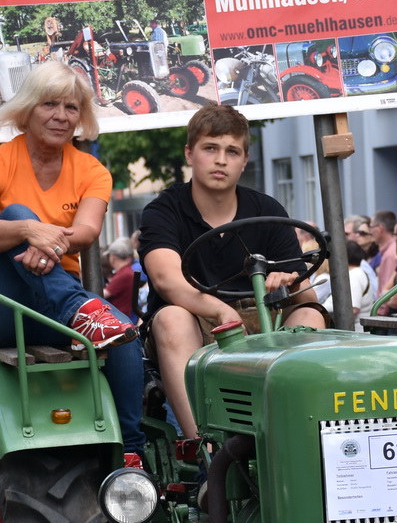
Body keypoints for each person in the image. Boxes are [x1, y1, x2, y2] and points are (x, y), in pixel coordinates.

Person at [0, 59, 144, 456]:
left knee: (123, 333)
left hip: (51, 309)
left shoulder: (92, 170)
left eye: (71, 107)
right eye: (49, 105)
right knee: (15, 214)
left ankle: (131, 452)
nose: (61, 116)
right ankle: (81, 309)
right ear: (28, 109)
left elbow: (88, 232)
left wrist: (47, 246)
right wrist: (29, 231)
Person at [140, 104, 328, 439]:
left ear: (244, 160)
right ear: (190, 153)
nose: (221, 160)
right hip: (196, 321)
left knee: (311, 317)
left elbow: (306, 295)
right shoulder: (163, 210)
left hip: (262, 320)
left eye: (232, 151)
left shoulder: (267, 211)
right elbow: (166, 278)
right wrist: (219, 310)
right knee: (171, 318)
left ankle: (298, 437)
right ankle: (205, 450)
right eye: (210, 148)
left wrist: (285, 286)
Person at [104, 239, 139, 319]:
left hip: (119, 318)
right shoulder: (127, 271)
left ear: (113, 257)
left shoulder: (124, 274)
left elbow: (101, 293)